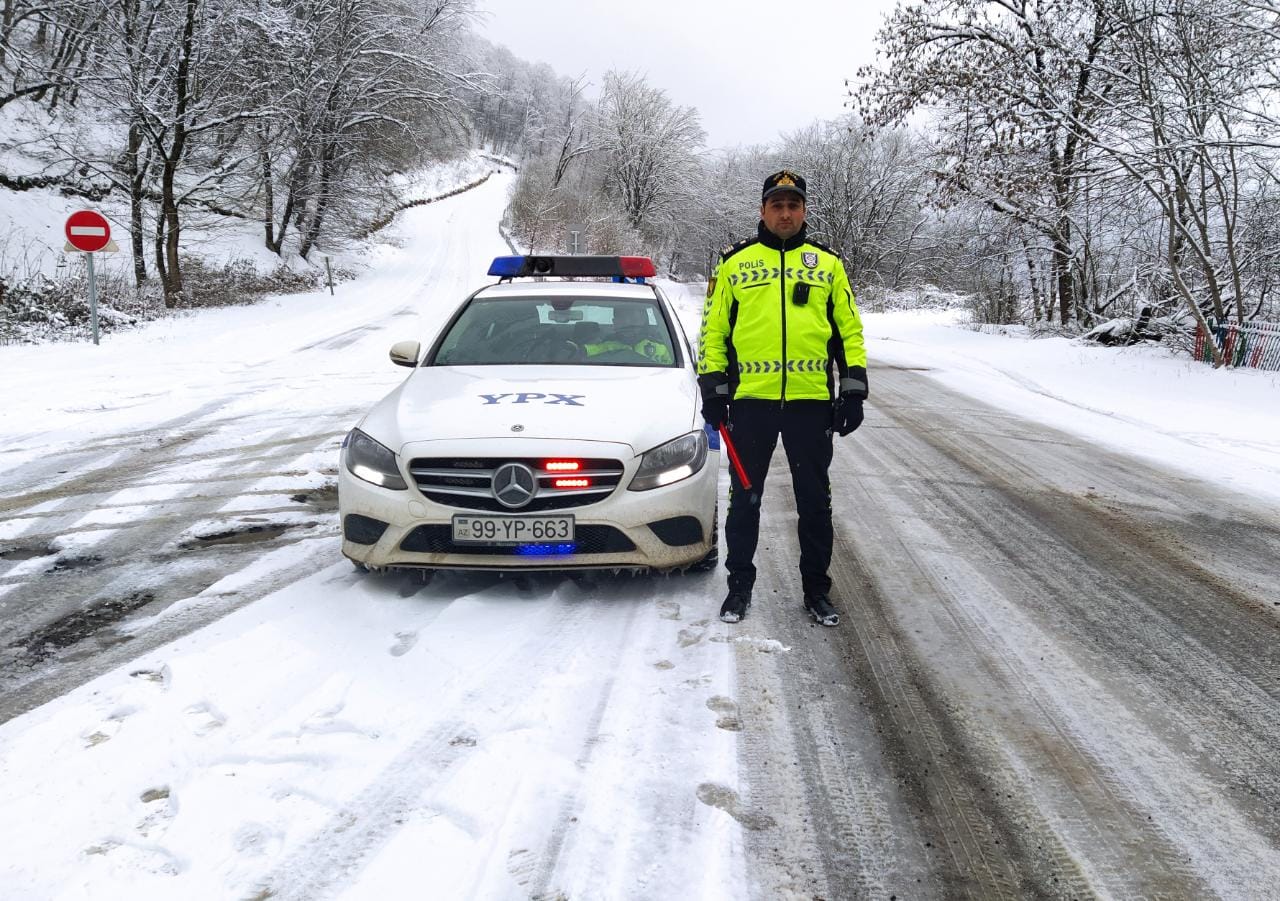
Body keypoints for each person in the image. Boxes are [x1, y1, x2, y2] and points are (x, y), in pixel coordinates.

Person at [697, 170, 868, 627]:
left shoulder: (827, 265)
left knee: (815, 501)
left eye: (794, 205)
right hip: (749, 404)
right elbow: (713, 332)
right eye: (778, 205)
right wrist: (713, 389)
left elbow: (848, 331)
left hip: (811, 405)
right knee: (744, 500)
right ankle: (739, 588)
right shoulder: (735, 264)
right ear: (763, 210)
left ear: (804, 210)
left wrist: (853, 390)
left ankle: (816, 591)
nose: (786, 213)